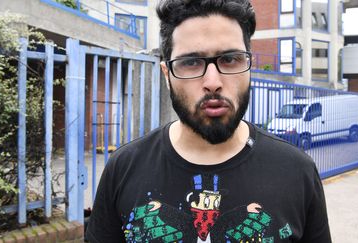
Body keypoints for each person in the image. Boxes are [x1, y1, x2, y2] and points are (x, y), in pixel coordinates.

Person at [86, 0, 331, 242]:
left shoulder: (297, 172)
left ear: (249, 66)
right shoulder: (124, 169)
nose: (213, 81)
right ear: (167, 75)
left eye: (230, 59)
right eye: (191, 62)